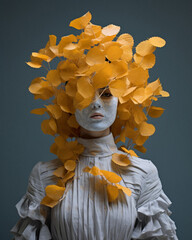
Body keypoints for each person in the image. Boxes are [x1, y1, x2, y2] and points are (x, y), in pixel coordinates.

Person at [11, 12, 178, 240]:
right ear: (68, 102)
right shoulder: (45, 176)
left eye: (107, 94)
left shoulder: (142, 174)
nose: (96, 102)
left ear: (122, 101)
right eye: (84, 92)